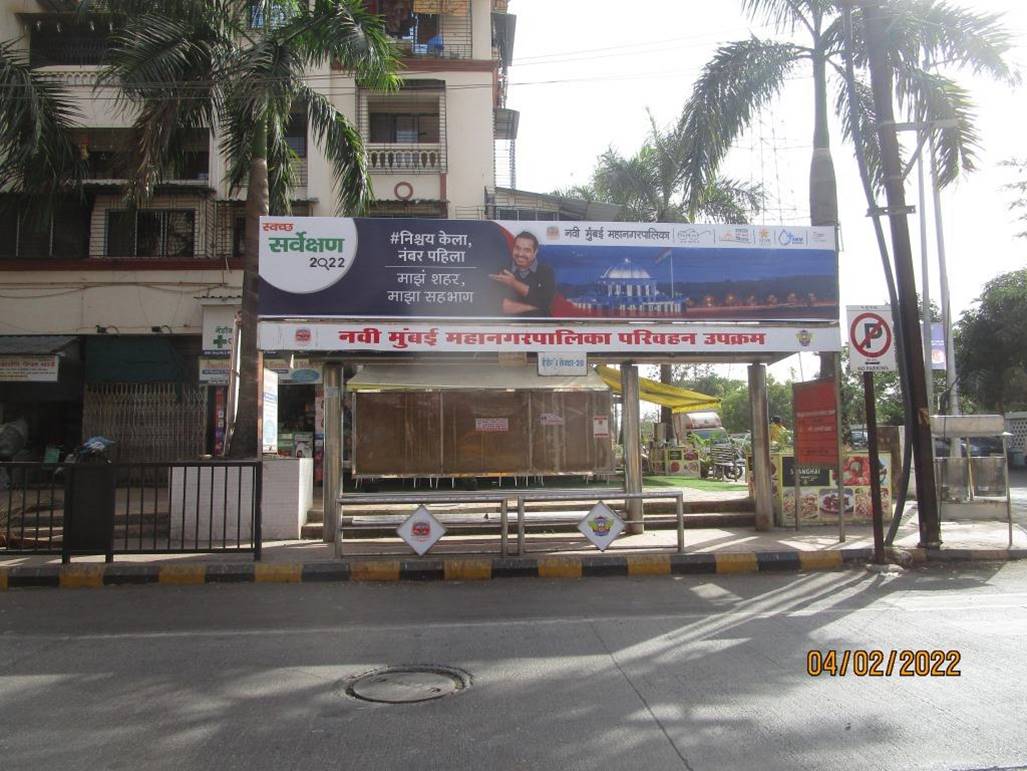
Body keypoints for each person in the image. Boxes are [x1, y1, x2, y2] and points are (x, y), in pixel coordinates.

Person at [489, 231, 555, 316]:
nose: (520, 254)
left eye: (527, 250)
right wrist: (538, 307)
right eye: (517, 248)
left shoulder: (546, 272)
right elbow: (498, 306)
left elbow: (546, 302)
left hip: (541, 327)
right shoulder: (501, 270)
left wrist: (513, 283)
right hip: (507, 327)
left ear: (535, 252)